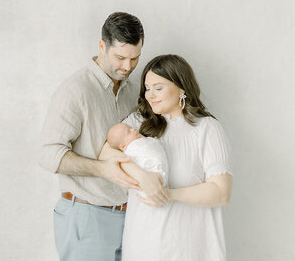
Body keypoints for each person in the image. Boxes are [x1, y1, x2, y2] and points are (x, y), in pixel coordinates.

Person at [39, 12, 166, 261]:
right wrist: (102, 169)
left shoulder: (134, 91)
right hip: (87, 216)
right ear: (102, 46)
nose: (128, 66)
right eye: (120, 57)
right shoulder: (75, 90)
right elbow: (47, 154)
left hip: (130, 216)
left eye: (135, 58)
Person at [100, 54, 234, 261]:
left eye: (158, 88)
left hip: (189, 248)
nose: (150, 95)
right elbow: (105, 153)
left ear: (182, 88)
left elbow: (221, 193)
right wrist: (143, 176)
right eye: (147, 88)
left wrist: (168, 194)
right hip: (143, 246)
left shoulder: (207, 128)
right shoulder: (137, 123)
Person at [106, 123, 169, 194]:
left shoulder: (145, 140)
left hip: (160, 173)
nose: (134, 129)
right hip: (149, 176)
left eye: (131, 128)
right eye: (129, 132)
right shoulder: (131, 150)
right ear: (123, 146)